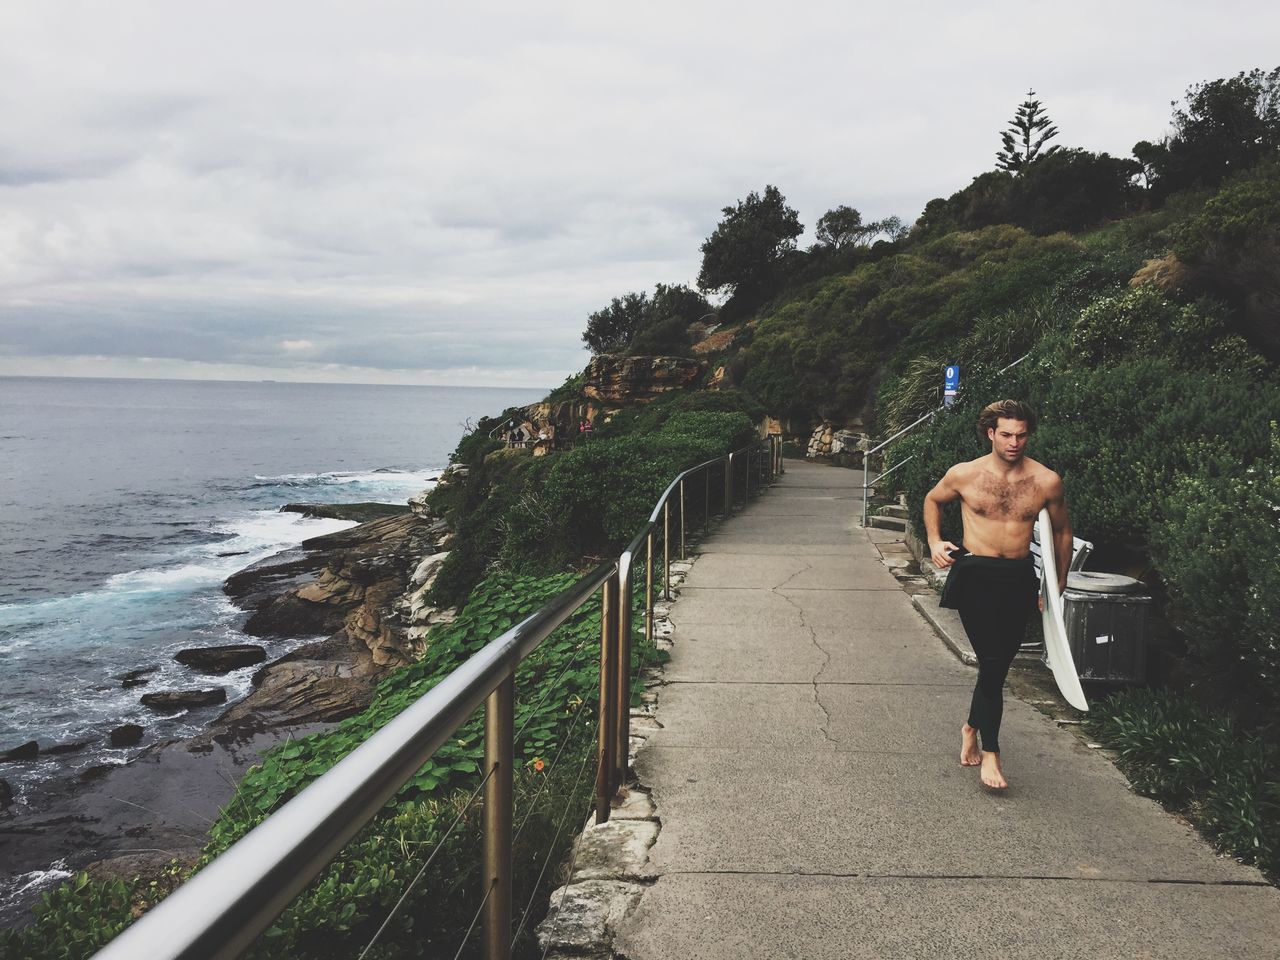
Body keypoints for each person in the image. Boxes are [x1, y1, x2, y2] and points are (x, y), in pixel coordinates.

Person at [923, 399, 1072, 790]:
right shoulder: (965, 474)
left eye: (1021, 435)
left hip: (1018, 577)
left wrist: (1056, 585)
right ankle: (992, 753)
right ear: (991, 433)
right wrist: (935, 541)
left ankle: (971, 726)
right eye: (1006, 434)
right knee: (991, 662)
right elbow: (933, 500)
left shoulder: (1045, 481)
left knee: (996, 667)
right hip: (975, 576)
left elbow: (1062, 532)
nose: (1014, 442)